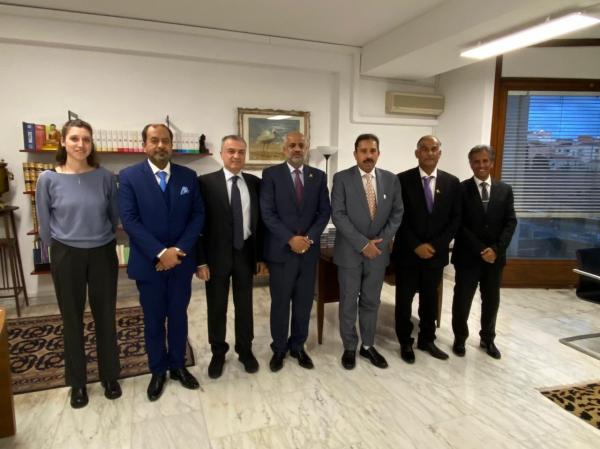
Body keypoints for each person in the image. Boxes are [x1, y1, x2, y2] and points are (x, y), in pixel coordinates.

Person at [36, 119, 121, 408]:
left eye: (86, 139)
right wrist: (57, 250)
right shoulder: (47, 179)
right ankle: (78, 383)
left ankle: (109, 375)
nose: (80, 144)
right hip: (66, 254)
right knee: (72, 319)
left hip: (102, 253)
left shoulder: (105, 177)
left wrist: (102, 238)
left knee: (105, 316)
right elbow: (44, 222)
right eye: (74, 138)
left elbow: (113, 215)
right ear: (63, 141)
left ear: (91, 143)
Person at [119, 123, 204, 401]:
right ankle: (157, 370)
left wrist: (176, 251)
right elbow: (129, 220)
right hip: (148, 264)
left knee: (178, 316)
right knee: (154, 320)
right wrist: (160, 252)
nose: (160, 145)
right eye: (154, 140)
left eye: (165, 140)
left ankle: (178, 365)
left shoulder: (188, 176)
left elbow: (197, 216)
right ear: (144, 145)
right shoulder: (129, 177)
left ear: (171, 144)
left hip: (180, 263)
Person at [331, 134, 403, 370]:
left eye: (372, 151)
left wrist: (379, 244)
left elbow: (397, 214)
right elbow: (338, 215)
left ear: (378, 154)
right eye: (363, 151)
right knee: (348, 301)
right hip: (350, 253)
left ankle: (368, 346)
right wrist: (363, 244)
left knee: (372, 301)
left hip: (378, 255)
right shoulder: (341, 178)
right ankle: (350, 347)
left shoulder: (391, 180)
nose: (368, 155)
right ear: (355, 154)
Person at [260, 131, 331, 372]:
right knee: (280, 304)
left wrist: (308, 239)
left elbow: (324, 212)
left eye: (301, 145)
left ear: (306, 148)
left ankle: (298, 346)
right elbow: (267, 213)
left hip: (308, 253)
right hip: (281, 252)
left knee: (303, 303)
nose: (297, 149)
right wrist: (290, 239)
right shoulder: (271, 175)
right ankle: (279, 348)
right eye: (292, 145)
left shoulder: (318, 176)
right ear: (284, 149)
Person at [196, 135, 264, 379]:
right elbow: (197, 225)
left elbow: (260, 224)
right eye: (231, 151)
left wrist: (260, 257)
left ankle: (245, 350)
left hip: (245, 253)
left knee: (245, 306)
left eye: (241, 152)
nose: (236, 156)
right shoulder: (205, 183)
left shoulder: (255, 183)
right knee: (217, 306)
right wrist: (200, 261)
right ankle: (218, 352)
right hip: (215, 257)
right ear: (222, 154)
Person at [392, 135, 461, 363]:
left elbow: (455, 220)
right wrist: (416, 245)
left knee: (430, 300)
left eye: (434, 149)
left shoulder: (452, 182)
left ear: (440, 153)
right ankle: (405, 341)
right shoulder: (401, 180)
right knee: (404, 301)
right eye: (424, 149)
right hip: (407, 253)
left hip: (435, 254)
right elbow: (398, 217)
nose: (429, 153)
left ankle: (427, 339)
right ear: (417, 153)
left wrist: (434, 246)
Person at [451, 145, 517, 359]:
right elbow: (458, 224)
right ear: (470, 164)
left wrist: (496, 250)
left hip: (495, 259)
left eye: (485, 161)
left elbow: (510, 222)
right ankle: (460, 338)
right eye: (476, 161)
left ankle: (487, 339)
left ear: (492, 162)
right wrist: (481, 249)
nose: (481, 165)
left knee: (491, 301)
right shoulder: (460, 189)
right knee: (462, 300)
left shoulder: (505, 190)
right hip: (468, 257)